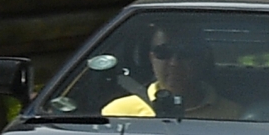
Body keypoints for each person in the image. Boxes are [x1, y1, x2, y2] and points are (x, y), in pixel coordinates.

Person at [103, 25, 247, 121]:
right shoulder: (118, 112)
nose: (174, 63)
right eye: (163, 52)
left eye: (185, 53)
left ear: (203, 58)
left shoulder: (234, 115)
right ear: (151, 58)